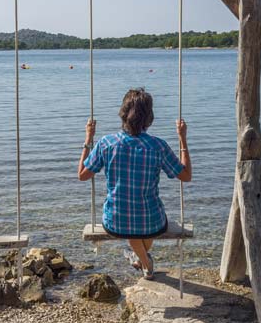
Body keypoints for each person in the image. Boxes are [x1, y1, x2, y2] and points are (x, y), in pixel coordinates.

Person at [77, 88, 192, 279]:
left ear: (122, 114)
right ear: (149, 118)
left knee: (131, 224)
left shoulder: (106, 143)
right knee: (143, 224)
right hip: (152, 220)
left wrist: (88, 138)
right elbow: (186, 176)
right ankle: (146, 263)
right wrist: (183, 139)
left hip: (116, 220)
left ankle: (142, 260)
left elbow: (82, 175)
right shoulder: (158, 146)